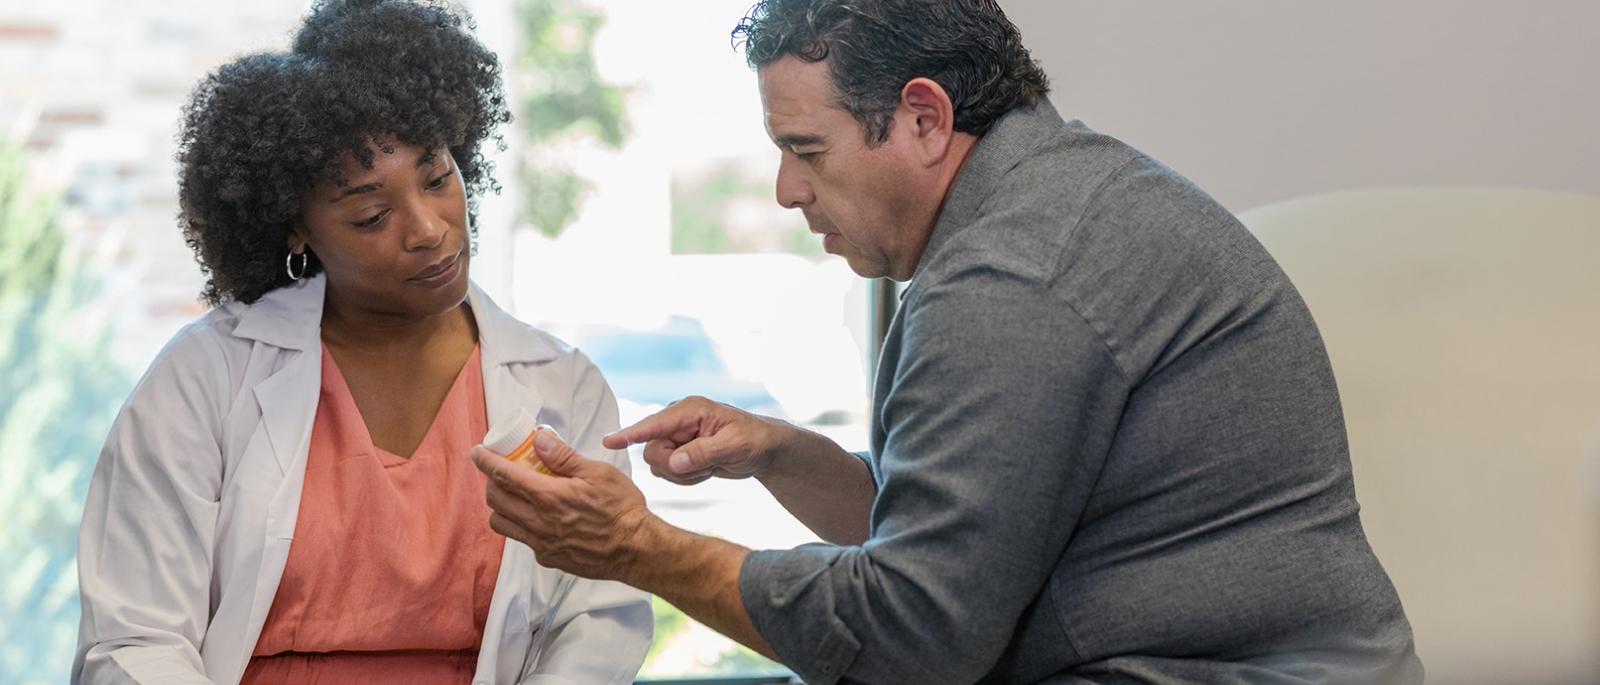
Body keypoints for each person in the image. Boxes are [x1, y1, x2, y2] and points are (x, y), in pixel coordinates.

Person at [472, 0, 1423, 683]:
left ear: (925, 118)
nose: (786, 192)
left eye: (806, 150)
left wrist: (636, 546)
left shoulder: (1012, 275)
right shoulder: (1051, 200)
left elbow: (914, 641)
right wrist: (779, 452)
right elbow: (961, 542)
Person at [72, 1, 650, 683]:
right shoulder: (203, 379)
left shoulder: (562, 386)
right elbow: (135, 640)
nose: (429, 228)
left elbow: (598, 618)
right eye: (372, 214)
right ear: (297, 229)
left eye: (437, 177)